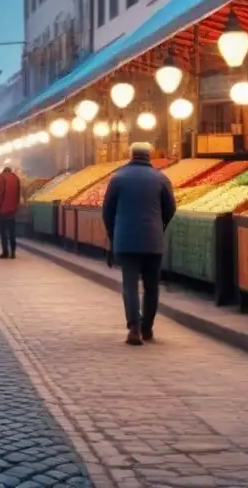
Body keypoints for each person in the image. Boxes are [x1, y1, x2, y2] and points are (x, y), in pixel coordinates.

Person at [102, 142, 177, 346]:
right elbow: (170, 208)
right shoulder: (161, 178)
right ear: (150, 155)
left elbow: (107, 211)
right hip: (153, 240)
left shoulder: (118, 178)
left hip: (125, 240)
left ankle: (134, 328)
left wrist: (113, 233)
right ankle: (148, 329)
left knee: (130, 285)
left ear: (131, 155)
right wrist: (158, 227)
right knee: (152, 286)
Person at [0, 165, 22, 259]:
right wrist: (16, 207)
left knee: (3, 232)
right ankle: (13, 252)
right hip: (12, 210)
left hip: (2, 210)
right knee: (12, 232)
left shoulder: (0, 177)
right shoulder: (16, 178)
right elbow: (18, 194)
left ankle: (5, 251)